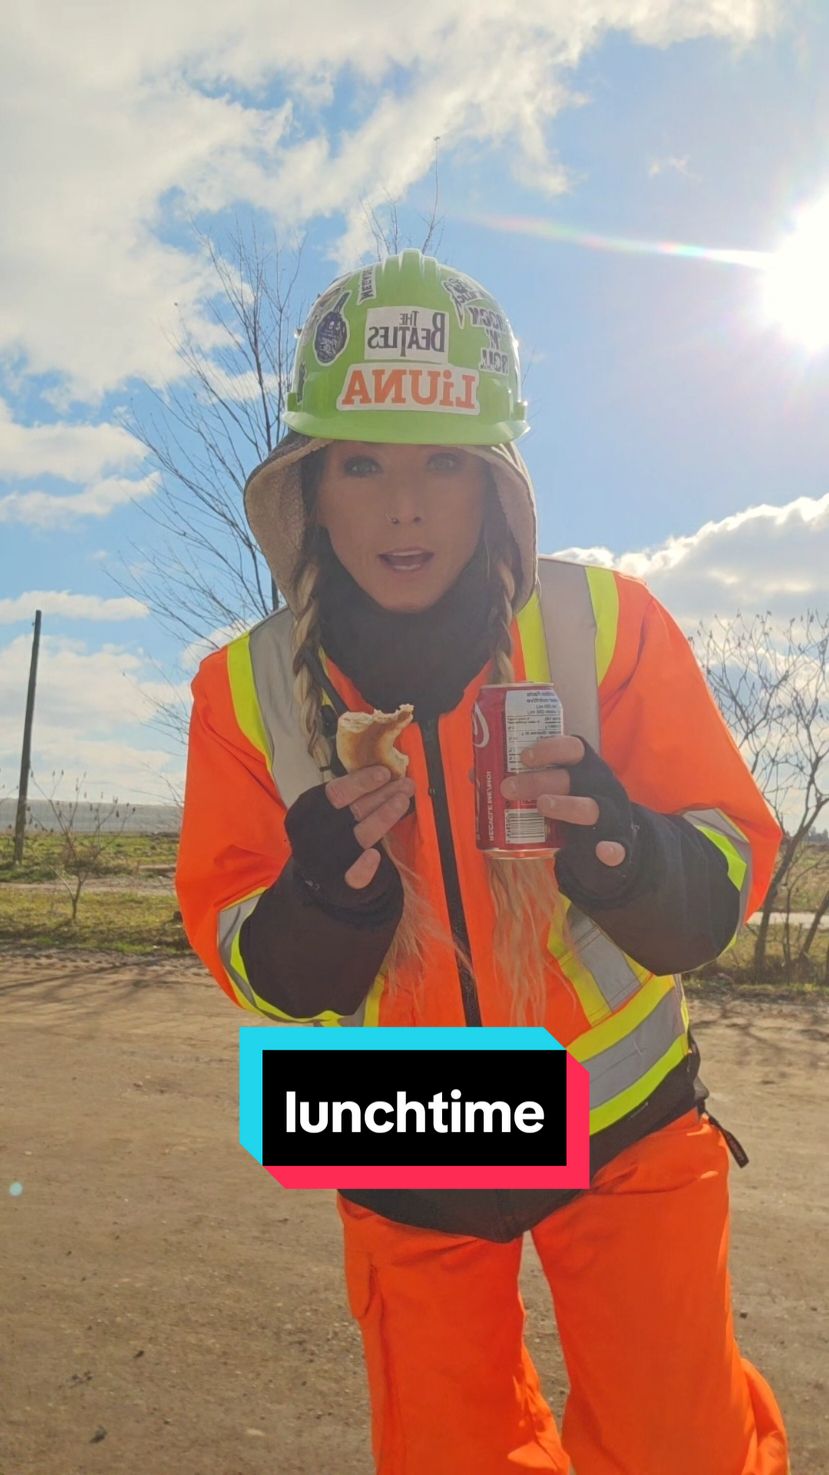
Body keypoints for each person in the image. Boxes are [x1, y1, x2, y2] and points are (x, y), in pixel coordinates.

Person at [175, 249, 790, 1475]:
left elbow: (725, 869)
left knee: (685, 1450)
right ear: (309, 485)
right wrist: (318, 906)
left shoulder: (601, 624)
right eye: (364, 463)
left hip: (623, 1121)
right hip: (404, 1130)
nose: (406, 508)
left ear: (495, 484)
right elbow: (246, 956)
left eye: (443, 464)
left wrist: (623, 849)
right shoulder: (241, 691)